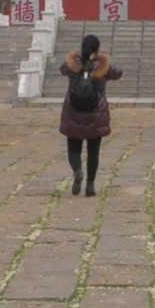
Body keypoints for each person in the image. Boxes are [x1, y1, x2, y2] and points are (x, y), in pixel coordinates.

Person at [57, 32, 120, 195]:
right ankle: (90, 185)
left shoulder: (73, 66)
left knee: (73, 149)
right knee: (93, 151)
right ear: (97, 49)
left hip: (73, 113)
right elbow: (118, 73)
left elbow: (62, 69)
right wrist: (102, 60)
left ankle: (78, 171)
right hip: (95, 115)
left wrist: (77, 58)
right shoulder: (102, 67)